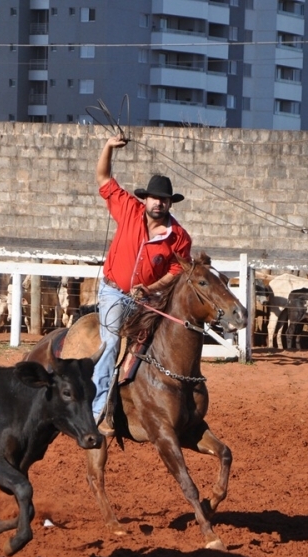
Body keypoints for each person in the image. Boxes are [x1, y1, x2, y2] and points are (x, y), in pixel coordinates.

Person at [93, 135, 193, 435]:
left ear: (168, 203)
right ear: (146, 199)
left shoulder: (179, 237)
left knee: (155, 343)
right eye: (154, 197)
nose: (158, 203)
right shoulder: (128, 209)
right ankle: (95, 410)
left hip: (145, 299)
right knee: (110, 343)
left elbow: (177, 269)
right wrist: (108, 147)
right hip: (113, 291)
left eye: (164, 199)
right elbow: (103, 177)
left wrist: (151, 289)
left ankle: (140, 401)